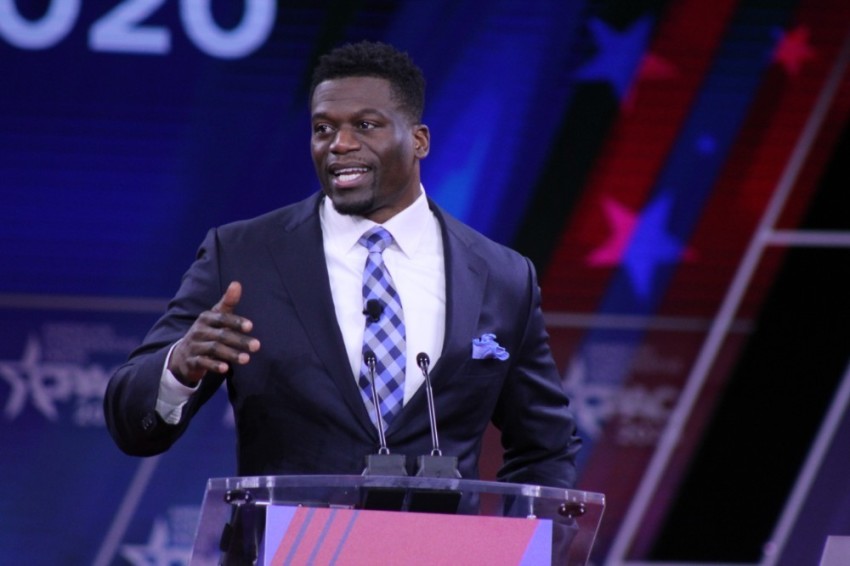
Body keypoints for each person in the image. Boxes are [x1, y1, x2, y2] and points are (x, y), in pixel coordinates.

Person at [104, 41, 581, 489]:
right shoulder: (244, 255)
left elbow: (547, 445)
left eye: (366, 125)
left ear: (419, 140)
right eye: (323, 128)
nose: (339, 144)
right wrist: (177, 368)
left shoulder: (503, 275)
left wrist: (528, 547)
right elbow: (133, 427)